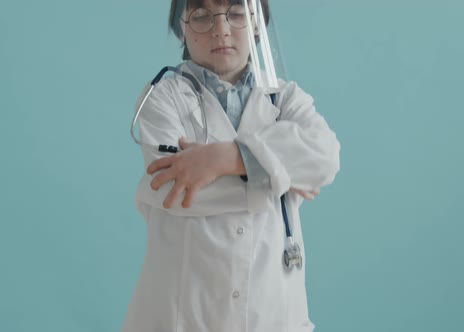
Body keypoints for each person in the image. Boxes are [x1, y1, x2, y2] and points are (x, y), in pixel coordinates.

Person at [122, 0, 340, 331]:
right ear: (183, 29)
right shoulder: (163, 99)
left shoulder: (285, 99)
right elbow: (172, 190)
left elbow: (325, 158)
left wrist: (223, 159)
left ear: (256, 24)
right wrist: (277, 175)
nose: (220, 29)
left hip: (274, 317)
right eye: (201, 16)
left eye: (235, 14)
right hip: (181, 317)